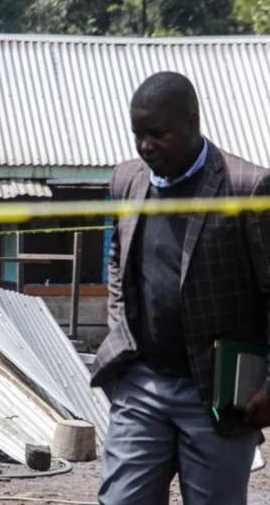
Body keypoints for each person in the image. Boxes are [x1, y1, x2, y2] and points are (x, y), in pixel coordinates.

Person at [90, 71, 270, 504]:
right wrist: (121, 328)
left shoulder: (248, 188)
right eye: (138, 134)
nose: (145, 146)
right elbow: (119, 261)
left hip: (217, 394)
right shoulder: (127, 181)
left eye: (157, 134)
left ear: (192, 122)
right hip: (141, 383)